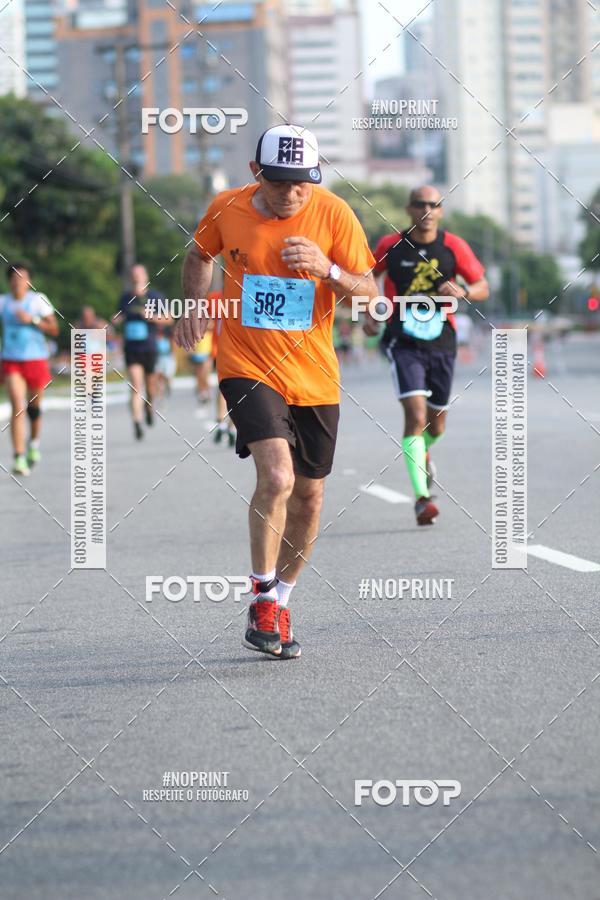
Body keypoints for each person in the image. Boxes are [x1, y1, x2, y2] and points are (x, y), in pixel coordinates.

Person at [174, 124, 378, 659]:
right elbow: (199, 256)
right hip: (247, 364)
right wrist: (196, 305)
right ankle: (262, 596)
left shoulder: (334, 214)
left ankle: (283, 598)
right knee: (278, 476)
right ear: (256, 174)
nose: (292, 194)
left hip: (314, 375)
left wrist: (327, 269)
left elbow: (370, 296)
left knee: (310, 497)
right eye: (281, 182)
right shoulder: (227, 207)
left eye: (303, 183)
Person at [366, 185, 489, 525]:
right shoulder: (390, 246)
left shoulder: (453, 246)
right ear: (409, 209)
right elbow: (367, 277)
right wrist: (370, 313)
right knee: (416, 416)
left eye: (433, 204)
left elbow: (482, 286)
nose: (427, 209)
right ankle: (422, 498)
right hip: (402, 339)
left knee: (437, 422)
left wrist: (463, 290)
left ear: (441, 211)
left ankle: (423, 449)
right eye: (420, 203)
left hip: (441, 340)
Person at [0, 262, 59, 475]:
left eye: (22, 278)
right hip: (11, 360)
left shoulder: (37, 301)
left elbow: (54, 328)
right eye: (14, 278)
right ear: (9, 282)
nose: (18, 282)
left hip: (36, 360)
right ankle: (18, 456)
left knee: (34, 408)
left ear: (29, 282)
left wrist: (32, 320)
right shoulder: (3, 302)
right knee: (17, 405)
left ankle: (33, 443)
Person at [115, 264, 167, 441]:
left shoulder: (155, 297)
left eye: (139, 275)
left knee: (150, 387)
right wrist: (116, 320)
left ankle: (149, 407)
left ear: (145, 277)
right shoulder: (125, 298)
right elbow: (119, 315)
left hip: (149, 348)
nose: (136, 278)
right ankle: (136, 422)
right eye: (133, 275)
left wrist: (152, 317)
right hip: (131, 348)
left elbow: (169, 319)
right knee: (136, 385)